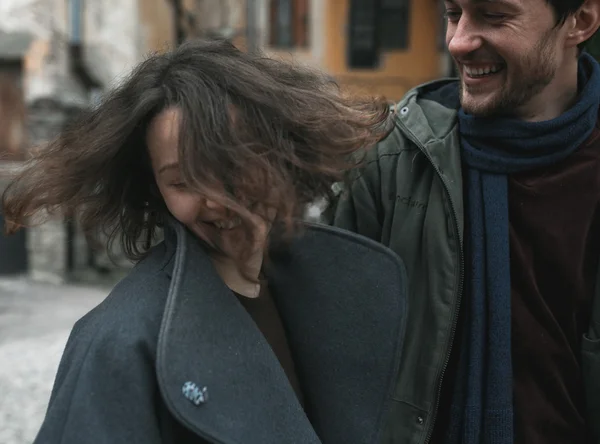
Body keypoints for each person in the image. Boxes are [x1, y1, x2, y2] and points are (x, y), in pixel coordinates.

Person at [2, 39, 408, 444]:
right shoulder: (117, 342)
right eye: (182, 181)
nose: (215, 199)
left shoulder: (326, 288)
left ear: (280, 153)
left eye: (230, 164)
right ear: (154, 188)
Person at [330, 0, 600, 443]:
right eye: (453, 13)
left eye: (495, 16)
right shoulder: (389, 165)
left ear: (580, 21)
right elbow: (330, 357)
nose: (458, 42)